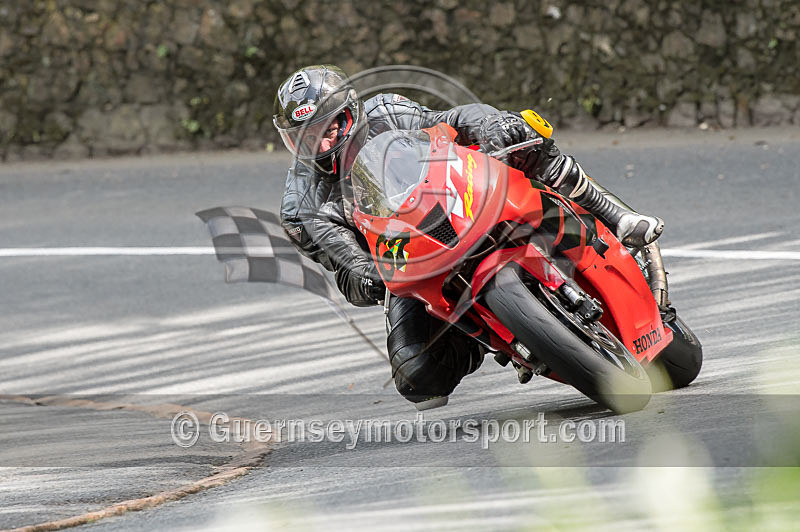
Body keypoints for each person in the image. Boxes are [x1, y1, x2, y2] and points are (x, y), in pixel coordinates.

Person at [274, 64, 663, 408]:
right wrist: (365, 275)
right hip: (407, 259)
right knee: (418, 378)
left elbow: (454, 119)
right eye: (306, 137)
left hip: (457, 198)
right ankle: (479, 332)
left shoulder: (386, 112)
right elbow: (342, 269)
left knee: (520, 132)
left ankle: (618, 216)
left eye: (328, 129)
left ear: (350, 113)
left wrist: (491, 127)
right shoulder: (300, 207)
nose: (321, 145)